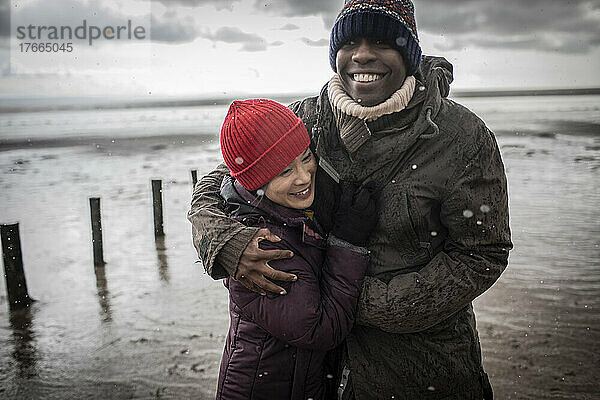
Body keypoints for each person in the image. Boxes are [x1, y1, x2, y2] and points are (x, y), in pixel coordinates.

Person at [189, 0, 513, 398]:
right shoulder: (307, 118)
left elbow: (483, 254)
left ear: (408, 53)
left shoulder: (461, 137)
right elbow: (224, 180)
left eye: (380, 40)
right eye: (349, 42)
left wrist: (362, 302)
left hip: (421, 368)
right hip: (318, 371)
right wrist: (223, 242)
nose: (362, 55)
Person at [214, 98, 377, 400]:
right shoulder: (262, 245)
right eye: (284, 171)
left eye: (306, 157)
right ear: (256, 181)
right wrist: (348, 243)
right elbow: (320, 329)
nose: (304, 176)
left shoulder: (286, 214)